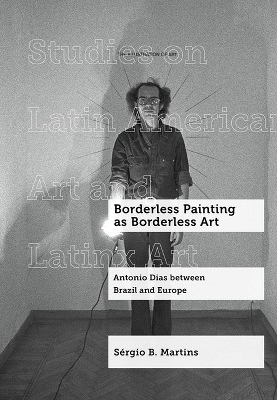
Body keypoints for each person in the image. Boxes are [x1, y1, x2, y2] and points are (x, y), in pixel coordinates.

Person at [108, 78, 193, 335]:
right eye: (142, 100)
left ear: (161, 104)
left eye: (153, 100)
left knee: (162, 277)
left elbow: (182, 179)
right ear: (135, 104)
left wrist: (180, 221)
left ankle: (162, 336)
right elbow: (118, 181)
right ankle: (141, 337)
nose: (148, 104)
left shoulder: (174, 137)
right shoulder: (124, 140)